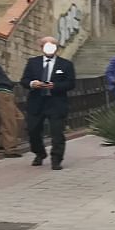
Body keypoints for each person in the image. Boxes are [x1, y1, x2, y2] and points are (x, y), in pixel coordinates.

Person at [20, 37, 76, 169]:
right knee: (33, 130)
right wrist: (33, 83)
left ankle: (56, 159)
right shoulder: (33, 62)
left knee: (57, 132)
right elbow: (24, 80)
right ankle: (39, 153)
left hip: (56, 102)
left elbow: (71, 83)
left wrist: (55, 86)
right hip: (37, 102)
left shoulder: (65, 64)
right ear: (41, 47)